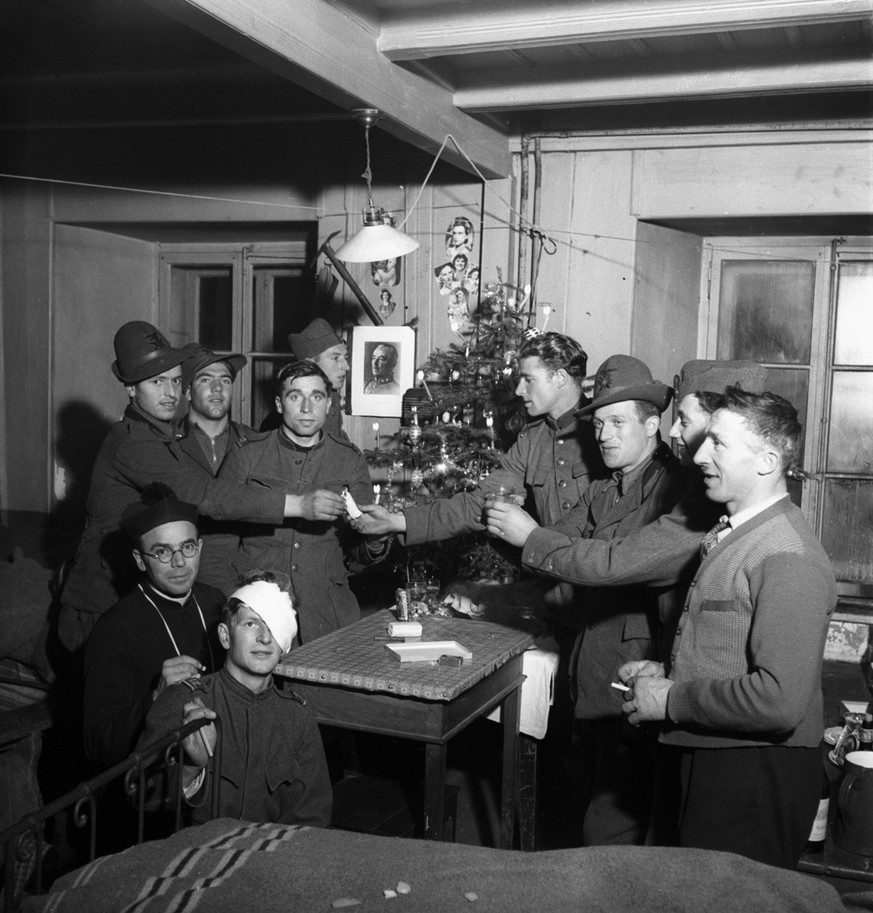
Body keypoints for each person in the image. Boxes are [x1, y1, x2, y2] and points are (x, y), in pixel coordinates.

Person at [617, 387, 836, 869]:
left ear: (767, 461)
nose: (698, 455)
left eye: (718, 443)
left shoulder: (786, 555)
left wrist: (672, 698)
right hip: (716, 756)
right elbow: (731, 643)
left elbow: (778, 700)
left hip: (751, 773)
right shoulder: (741, 530)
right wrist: (669, 668)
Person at [58, 322, 313, 652]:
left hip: (137, 592)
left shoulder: (162, 435)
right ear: (131, 389)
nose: (169, 392)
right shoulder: (133, 442)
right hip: (100, 602)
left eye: (176, 381)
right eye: (157, 382)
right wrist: (299, 505)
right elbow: (206, 496)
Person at [352, 332, 601, 623]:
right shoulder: (533, 439)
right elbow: (476, 504)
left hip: (599, 598)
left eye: (528, 379)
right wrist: (398, 521)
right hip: (557, 596)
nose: (519, 390)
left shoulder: (605, 431)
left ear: (559, 377)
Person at [556, 354, 687, 846]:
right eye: (599, 424)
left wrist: (543, 544)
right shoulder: (603, 491)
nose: (604, 435)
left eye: (617, 422)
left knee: (609, 829)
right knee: (581, 806)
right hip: (590, 669)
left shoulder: (673, 488)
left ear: (653, 424)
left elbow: (612, 562)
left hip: (633, 674)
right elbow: (551, 545)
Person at [138, 572, 332, 828]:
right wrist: (191, 769)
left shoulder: (296, 717)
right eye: (251, 624)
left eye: (275, 626)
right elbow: (140, 797)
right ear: (225, 636)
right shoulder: (186, 700)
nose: (265, 637)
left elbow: (311, 818)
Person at [220, 361, 389, 643]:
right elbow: (220, 530)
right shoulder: (248, 455)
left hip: (327, 614)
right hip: (259, 611)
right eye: (295, 396)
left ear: (329, 403)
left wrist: (376, 538)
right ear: (278, 403)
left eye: (317, 397)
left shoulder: (348, 459)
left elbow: (360, 551)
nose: (307, 408)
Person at [82, 485, 225, 767]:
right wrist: (156, 698)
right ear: (139, 560)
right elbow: (96, 743)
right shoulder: (114, 629)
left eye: (188, 546)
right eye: (162, 552)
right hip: (159, 779)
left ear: (200, 547)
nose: (180, 561)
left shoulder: (215, 601)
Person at [178, 342, 252, 589]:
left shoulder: (254, 442)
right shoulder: (166, 444)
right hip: (183, 575)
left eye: (226, 380)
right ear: (187, 392)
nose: (218, 388)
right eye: (206, 380)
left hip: (242, 576)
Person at [288, 317, 349, 438]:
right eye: (335, 358)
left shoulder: (331, 398)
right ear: (310, 364)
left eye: (345, 358)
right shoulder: (302, 410)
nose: (346, 367)